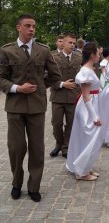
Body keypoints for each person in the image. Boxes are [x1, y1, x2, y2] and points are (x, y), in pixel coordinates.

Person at [0, 14, 61, 202]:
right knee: (16, 148)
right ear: (19, 27)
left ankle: (34, 186)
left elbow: (55, 75)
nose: (32, 29)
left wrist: (41, 88)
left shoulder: (43, 50)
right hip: (15, 107)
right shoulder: (7, 51)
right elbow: (1, 78)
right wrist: (18, 88)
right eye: (28, 25)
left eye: (34, 26)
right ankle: (17, 183)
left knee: (37, 148)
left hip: (36, 107)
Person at [66, 42, 103, 181]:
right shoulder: (85, 72)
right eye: (98, 53)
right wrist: (94, 116)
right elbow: (86, 96)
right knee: (89, 138)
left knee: (85, 138)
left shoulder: (89, 69)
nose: (99, 55)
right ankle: (81, 172)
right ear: (92, 55)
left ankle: (85, 166)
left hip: (90, 105)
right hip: (88, 108)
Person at [49, 32, 82, 158]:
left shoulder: (79, 57)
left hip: (73, 96)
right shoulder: (53, 58)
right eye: (70, 42)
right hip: (58, 96)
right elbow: (47, 77)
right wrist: (62, 84)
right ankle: (59, 144)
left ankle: (66, 147)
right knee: (56, 123)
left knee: (71, 124)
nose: (72, 45)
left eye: (74, 43)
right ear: (62, 43)